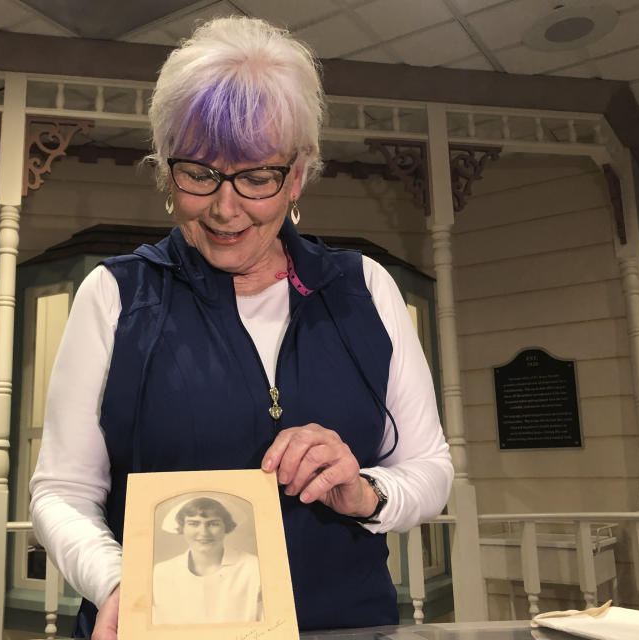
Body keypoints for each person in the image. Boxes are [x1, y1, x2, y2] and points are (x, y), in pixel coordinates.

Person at [30, 16, 453, 640]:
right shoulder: (118, 295)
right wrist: (121, 582)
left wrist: (365, 491)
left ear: (298, 174)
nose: (226, 208)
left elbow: (429, 468)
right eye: (200, 173)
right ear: (167, 171)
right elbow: (61, 493)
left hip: (344, 626)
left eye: (256, 176)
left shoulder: (362, 289)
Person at [152, 496, 263, 625]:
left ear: (226, 527)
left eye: (213, 523)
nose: (204, 532)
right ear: (182, 527)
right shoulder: (161, 573)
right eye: (193, 523)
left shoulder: (254, 568)